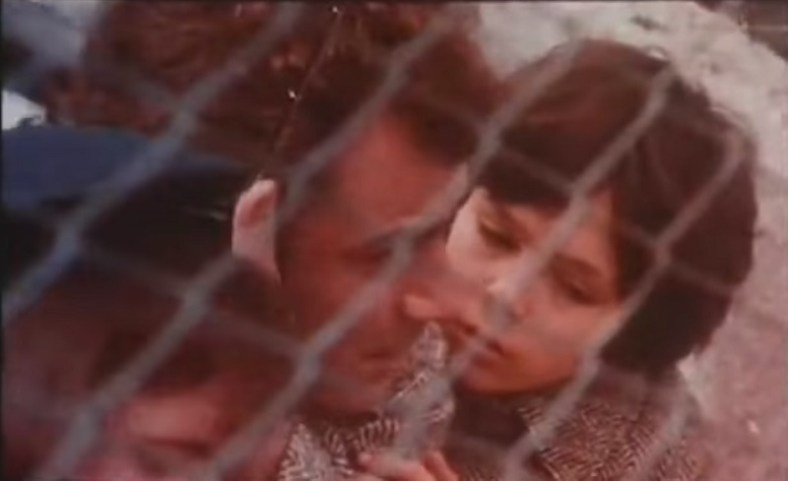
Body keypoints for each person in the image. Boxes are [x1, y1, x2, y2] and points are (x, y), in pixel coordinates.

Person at [33, 2, 506, 480]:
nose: (450, 303)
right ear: (218, 238)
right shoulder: (54, 410)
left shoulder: (406, 363)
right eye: (387, 254)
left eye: (444, 229)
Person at [357, 40, 758, 481]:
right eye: (497, 236)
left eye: (573, 288)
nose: (506, 294)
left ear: (635, 329)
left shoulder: (655, 463)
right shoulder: (353, 274)